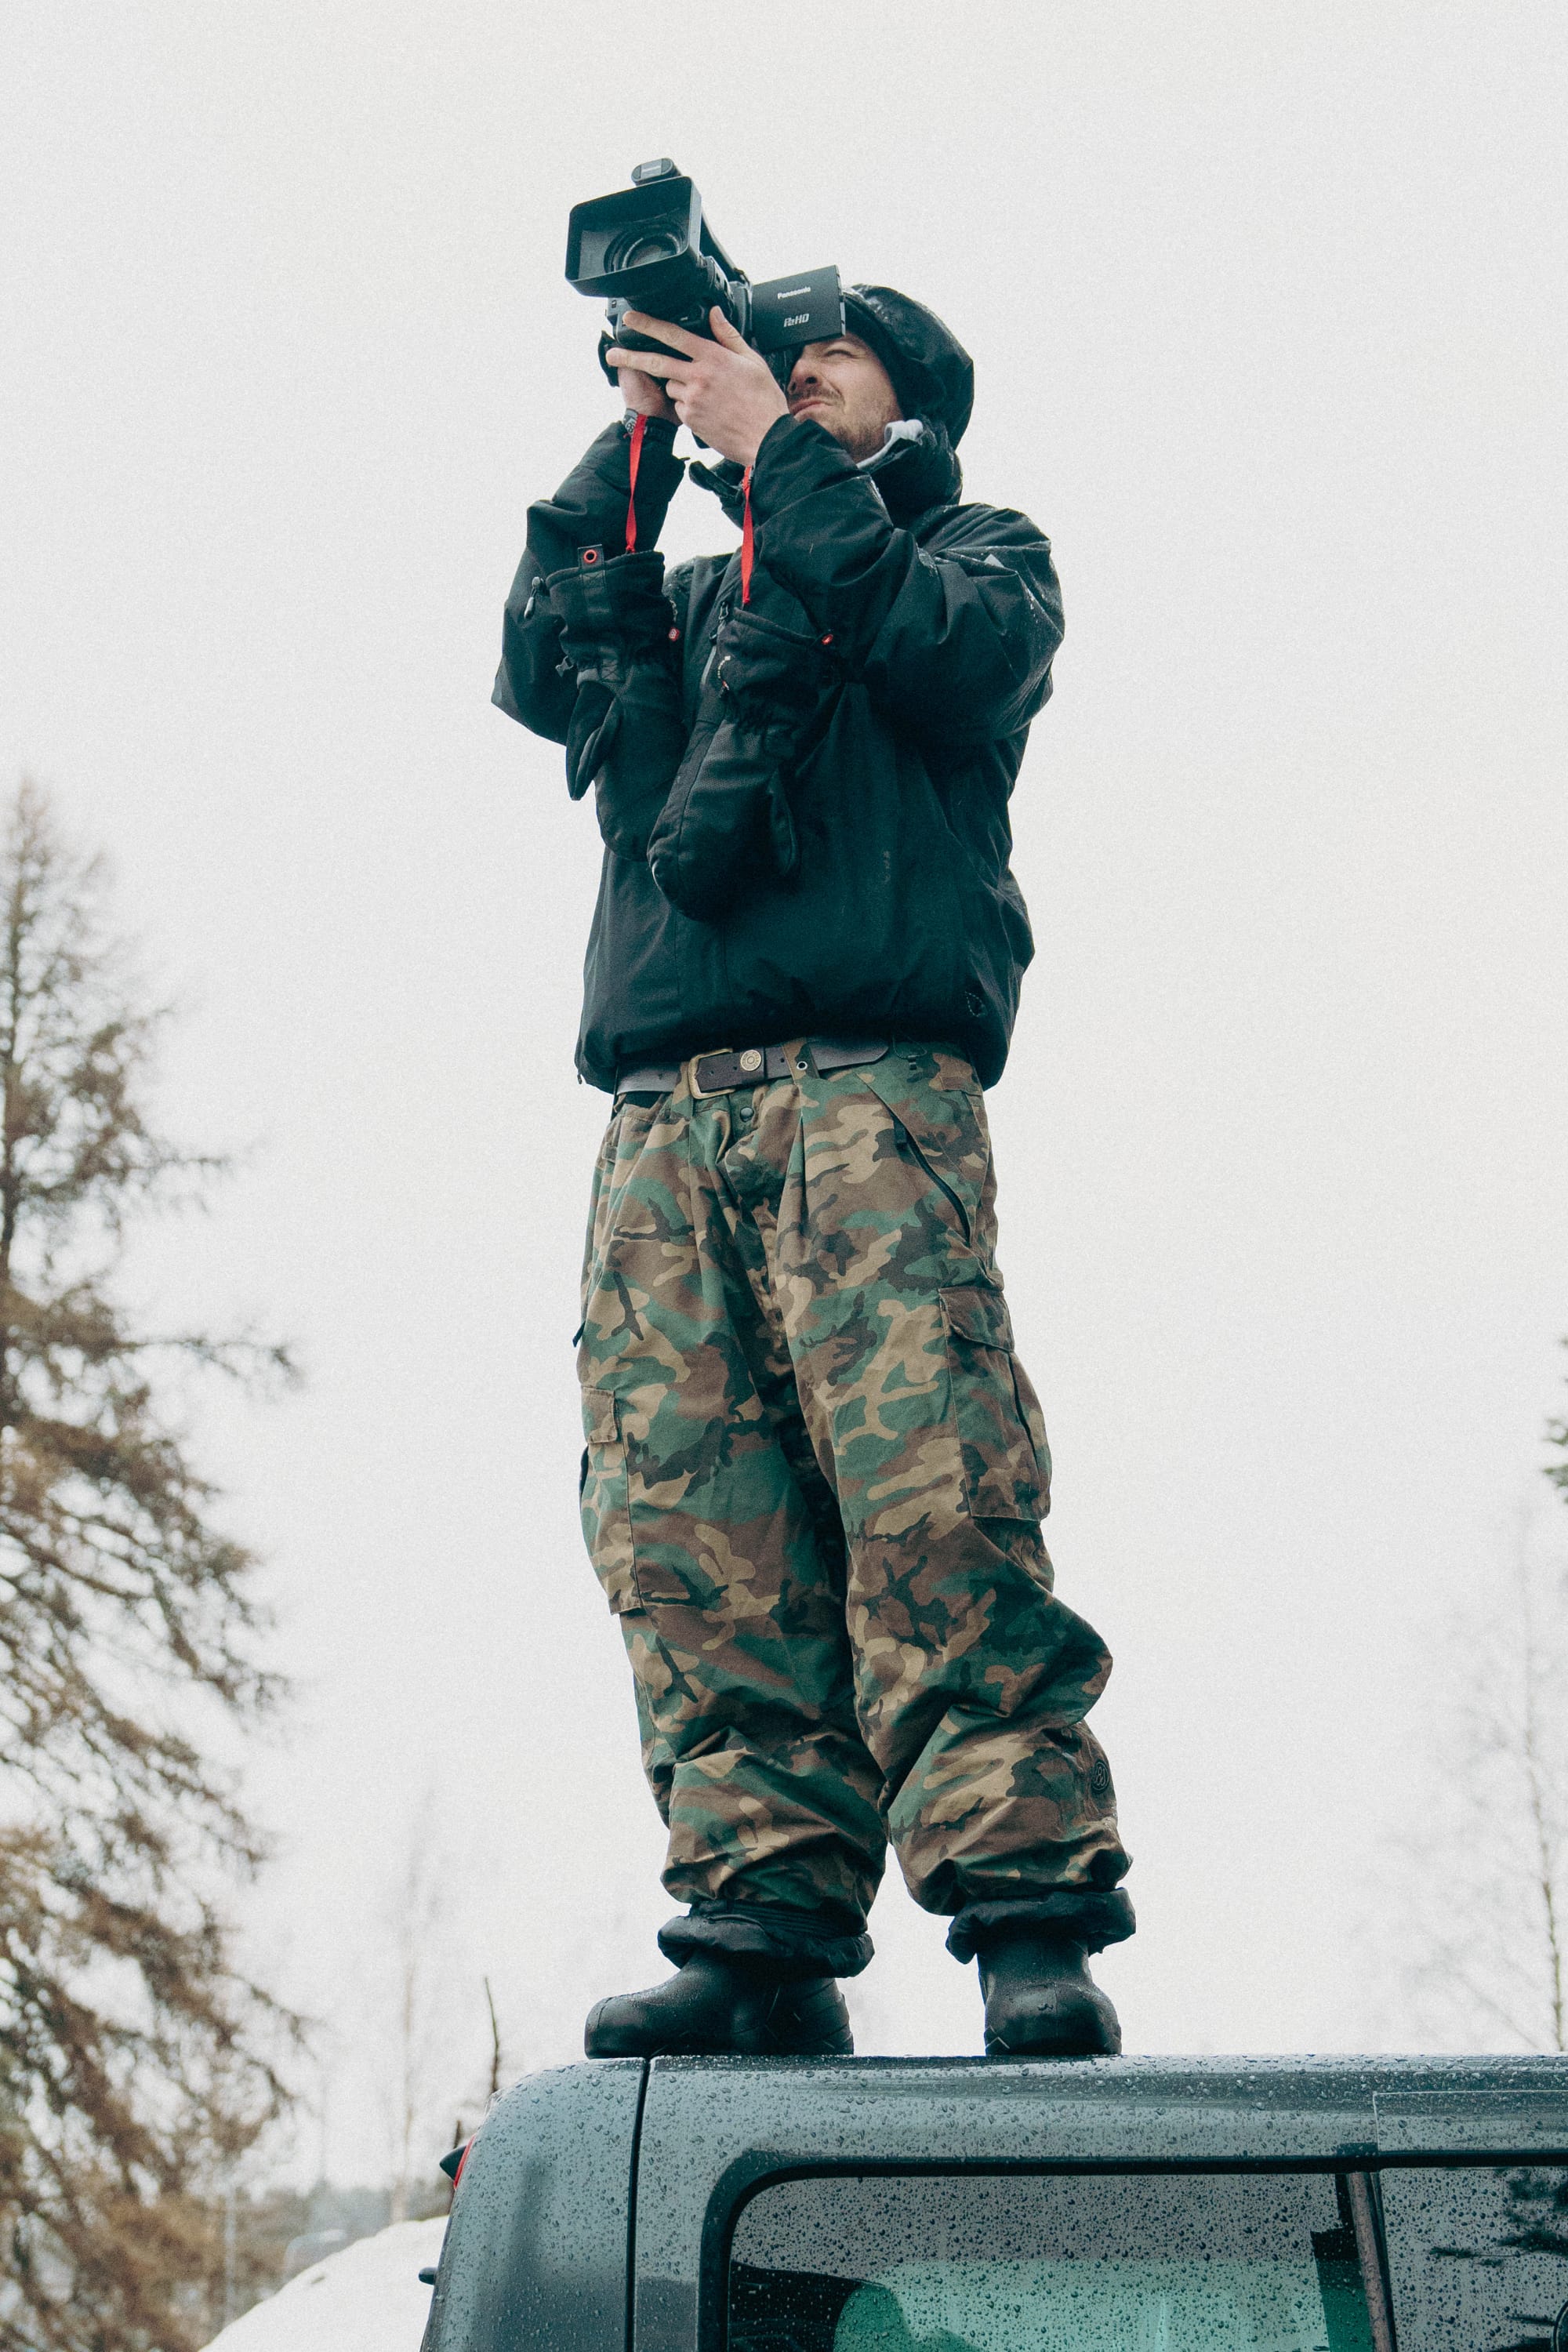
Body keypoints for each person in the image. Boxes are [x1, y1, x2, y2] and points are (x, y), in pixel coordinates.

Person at [494, 282, 1133, 2058]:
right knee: (688, 1531)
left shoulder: (974, 555)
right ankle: (762, 1928)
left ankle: (1024, 1917)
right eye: (762, 359)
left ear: (906, 402)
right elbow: (540, 666)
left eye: (822, 360)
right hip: (660, 1116)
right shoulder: (693, 597)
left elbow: (946, 654)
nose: (783, 377)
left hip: (869, 1092)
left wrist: (768, 441)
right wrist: (628, 431)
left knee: (931, 1494)